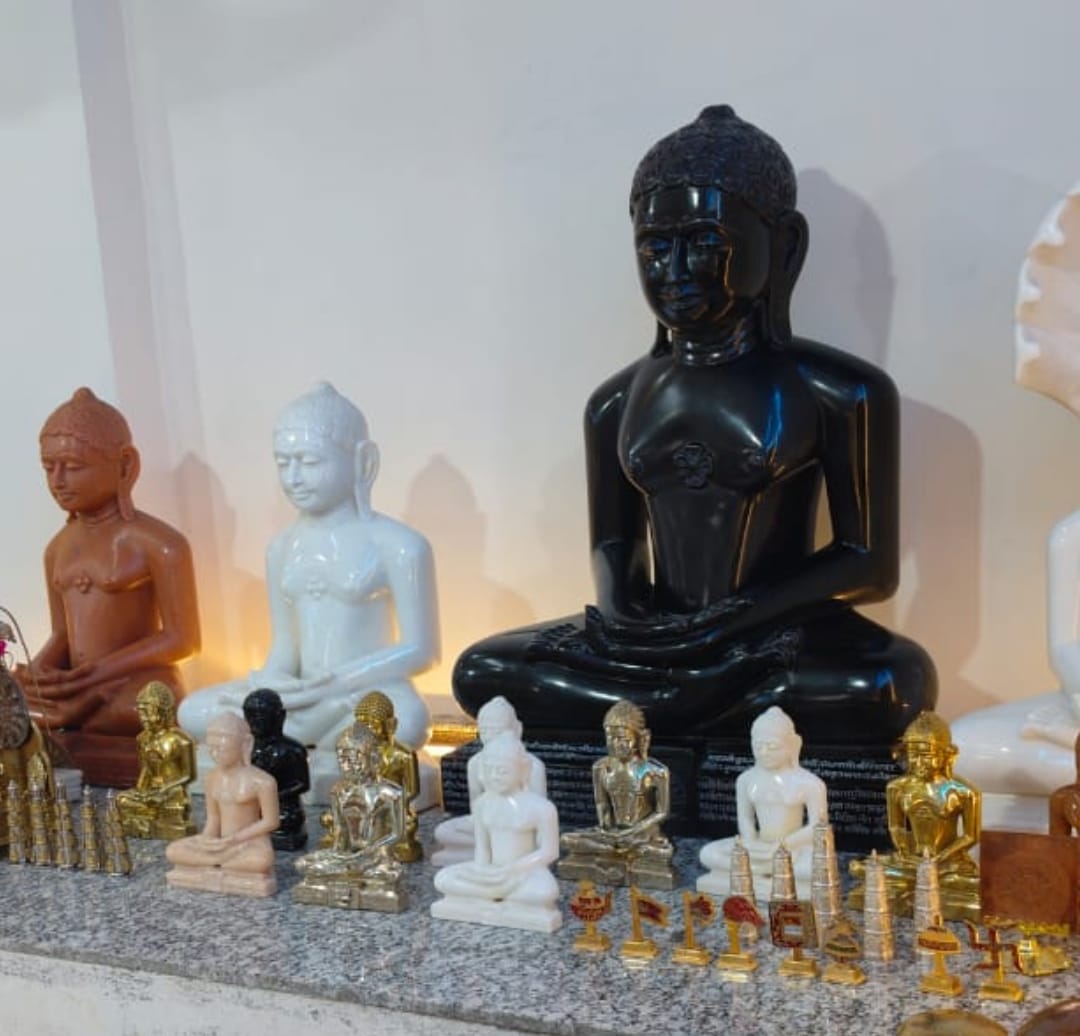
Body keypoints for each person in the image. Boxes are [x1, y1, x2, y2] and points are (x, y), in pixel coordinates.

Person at [453, 106, 935, 748]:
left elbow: (868, 565)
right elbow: (614, 544)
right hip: (652, 642)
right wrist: (627, 614)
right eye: (655, 248)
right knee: (481, 670)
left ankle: (665, 708)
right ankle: (694, 699)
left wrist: (730, 623)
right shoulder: (613, 402)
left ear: (785, 246)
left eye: (705, 243)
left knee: (890, 683)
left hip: (774, 634)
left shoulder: (841, 391)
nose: (676, 271)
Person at [178, 382, 439, 780]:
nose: (294, 477)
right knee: (192, 710)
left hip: (362, 692)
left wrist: (333, 685)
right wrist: (273, 686)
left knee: (407, 721)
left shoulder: (400, 545)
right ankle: (316, 741)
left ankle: (297, 742)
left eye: (310, 461)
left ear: (363, 462)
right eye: (283, 463)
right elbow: (286, 644)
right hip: (301, 696)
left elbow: (422, 650)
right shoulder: (281, 548)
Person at [23, 388, 200, 783]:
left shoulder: (160, 543)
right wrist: (37, 673)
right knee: (13, 707)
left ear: (124, 466)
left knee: (149, 708)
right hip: (78, 684)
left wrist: (97, 674)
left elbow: (182, 639)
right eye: (48, 468)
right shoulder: (57, 549)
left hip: (132, 683)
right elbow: (62, 634)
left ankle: (73, 714)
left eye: (72, 466)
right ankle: (70, 712)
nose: (58, 481)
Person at [848, 711, 980, 922]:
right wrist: (902, 848)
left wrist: (940, 858)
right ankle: (910, 885)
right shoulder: (897, 787)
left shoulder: (963, 792)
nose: (919, 762)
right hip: (910, 860)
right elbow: (896, 827)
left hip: (948, 864)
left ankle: (921, 885)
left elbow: (971, 836)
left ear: (947, 755)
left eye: (926, 755)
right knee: (859, 868)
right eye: (913, 755)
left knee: (973, 883)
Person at [431, 732, 561, 932]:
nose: (495, 777)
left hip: (524, 872)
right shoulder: (482, 804)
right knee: (443, 878)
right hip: (491, 872)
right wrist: (482, 870)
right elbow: (483, 848)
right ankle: (496, 901)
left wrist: (514, 869)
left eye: (502, 771)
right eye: (489, 771)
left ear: (523, 770)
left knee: (545, 892)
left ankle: (493, 900)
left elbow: (549, 851)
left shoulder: (541, 808)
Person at [697, 706, 826, 895]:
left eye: (772, 746)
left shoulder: (809, 783)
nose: (764, 752)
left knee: (814, 868)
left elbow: (818, 827)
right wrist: (750, 841)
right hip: (758, 845)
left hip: (793, 847)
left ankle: (754, 874)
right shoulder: (746, 779)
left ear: (793, 744)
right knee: (707, 853)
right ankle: (766, 874)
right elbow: (745, 818)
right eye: (758, 746)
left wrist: (783, 845)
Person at [557, 700, 674, 888]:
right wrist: (606, 829)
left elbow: (662, 812)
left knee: (663, 852)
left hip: (641, 834)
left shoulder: (655, 771)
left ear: (640, 738)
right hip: (612, 833)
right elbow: (601, 804)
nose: (616, 744)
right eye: (610, 738)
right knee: (566, 840)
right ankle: (610, 848)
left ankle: (615, 850)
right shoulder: (601, 767)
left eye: (623, 739)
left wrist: (633, 831)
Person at [293, 722, 406, 912]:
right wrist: (340, 855)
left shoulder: (390, 793)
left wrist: (368, 852)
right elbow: (340, 831)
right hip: (348, 855)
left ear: (374, 758)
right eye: (342, 760)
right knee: (304, 864)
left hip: (377, 857)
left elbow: (397, 833)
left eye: (353, 759)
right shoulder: (338, 791)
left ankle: (361, 877)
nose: (347, 766)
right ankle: (348, 874)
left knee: (385, 874)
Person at [165, 712, 279, 897]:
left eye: (222, 749)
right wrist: (208, 839)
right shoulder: (211, 778)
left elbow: (271, 822)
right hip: (221, 843)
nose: (215, 754)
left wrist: (235, 839)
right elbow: (214, 818)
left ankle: (213, 864)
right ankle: (220, 864)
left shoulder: (262, 781)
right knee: (173, 851)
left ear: (245, 744)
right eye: (211, 749)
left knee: (261, 860)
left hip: (249, 842)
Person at [432, 695, 546, 867]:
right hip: (488, 825)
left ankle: (507, 851)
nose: (492, 737)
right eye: (485, 732)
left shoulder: (532, 765)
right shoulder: (475, 763)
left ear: (517, 730)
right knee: (444, 831)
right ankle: (490, 851)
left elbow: (539, 812)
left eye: (498, 732)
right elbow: (477, 810)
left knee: (524, 837)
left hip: (519, 828)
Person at [115, 681, 196, 840]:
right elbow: (145, 771)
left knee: (176, 808)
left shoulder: (180, 740)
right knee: (121, 800)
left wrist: (164, 791)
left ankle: (153, 820)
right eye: (141, 713)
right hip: (151, 791)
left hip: (172, 792)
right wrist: (141, 793)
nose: (144, 718)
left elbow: (188, 775)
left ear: (164, 712)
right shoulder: (142, 739)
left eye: (148, 713)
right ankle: (144, 821)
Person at [352, 691, 421, 861]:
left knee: (407, 824)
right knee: (334, 818)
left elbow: (412, 790)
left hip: (393, 808)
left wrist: (389, 803)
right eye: (362, 725)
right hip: (366, 807)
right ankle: (356, 841)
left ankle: (396, 846)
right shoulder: (359, 753)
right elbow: (355, 783)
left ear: (390, 725)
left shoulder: (403, 754)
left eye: (372, 724)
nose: (368, 730)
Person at [243, 688, 310, 850]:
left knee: (285, 820)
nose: (254, 722)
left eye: (261, 717)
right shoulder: (245, 748)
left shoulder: (293, 750)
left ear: (280, 716)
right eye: (250, 717)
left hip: (282, 805)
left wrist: (272, 796)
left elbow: (302, 784)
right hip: (252, 804)